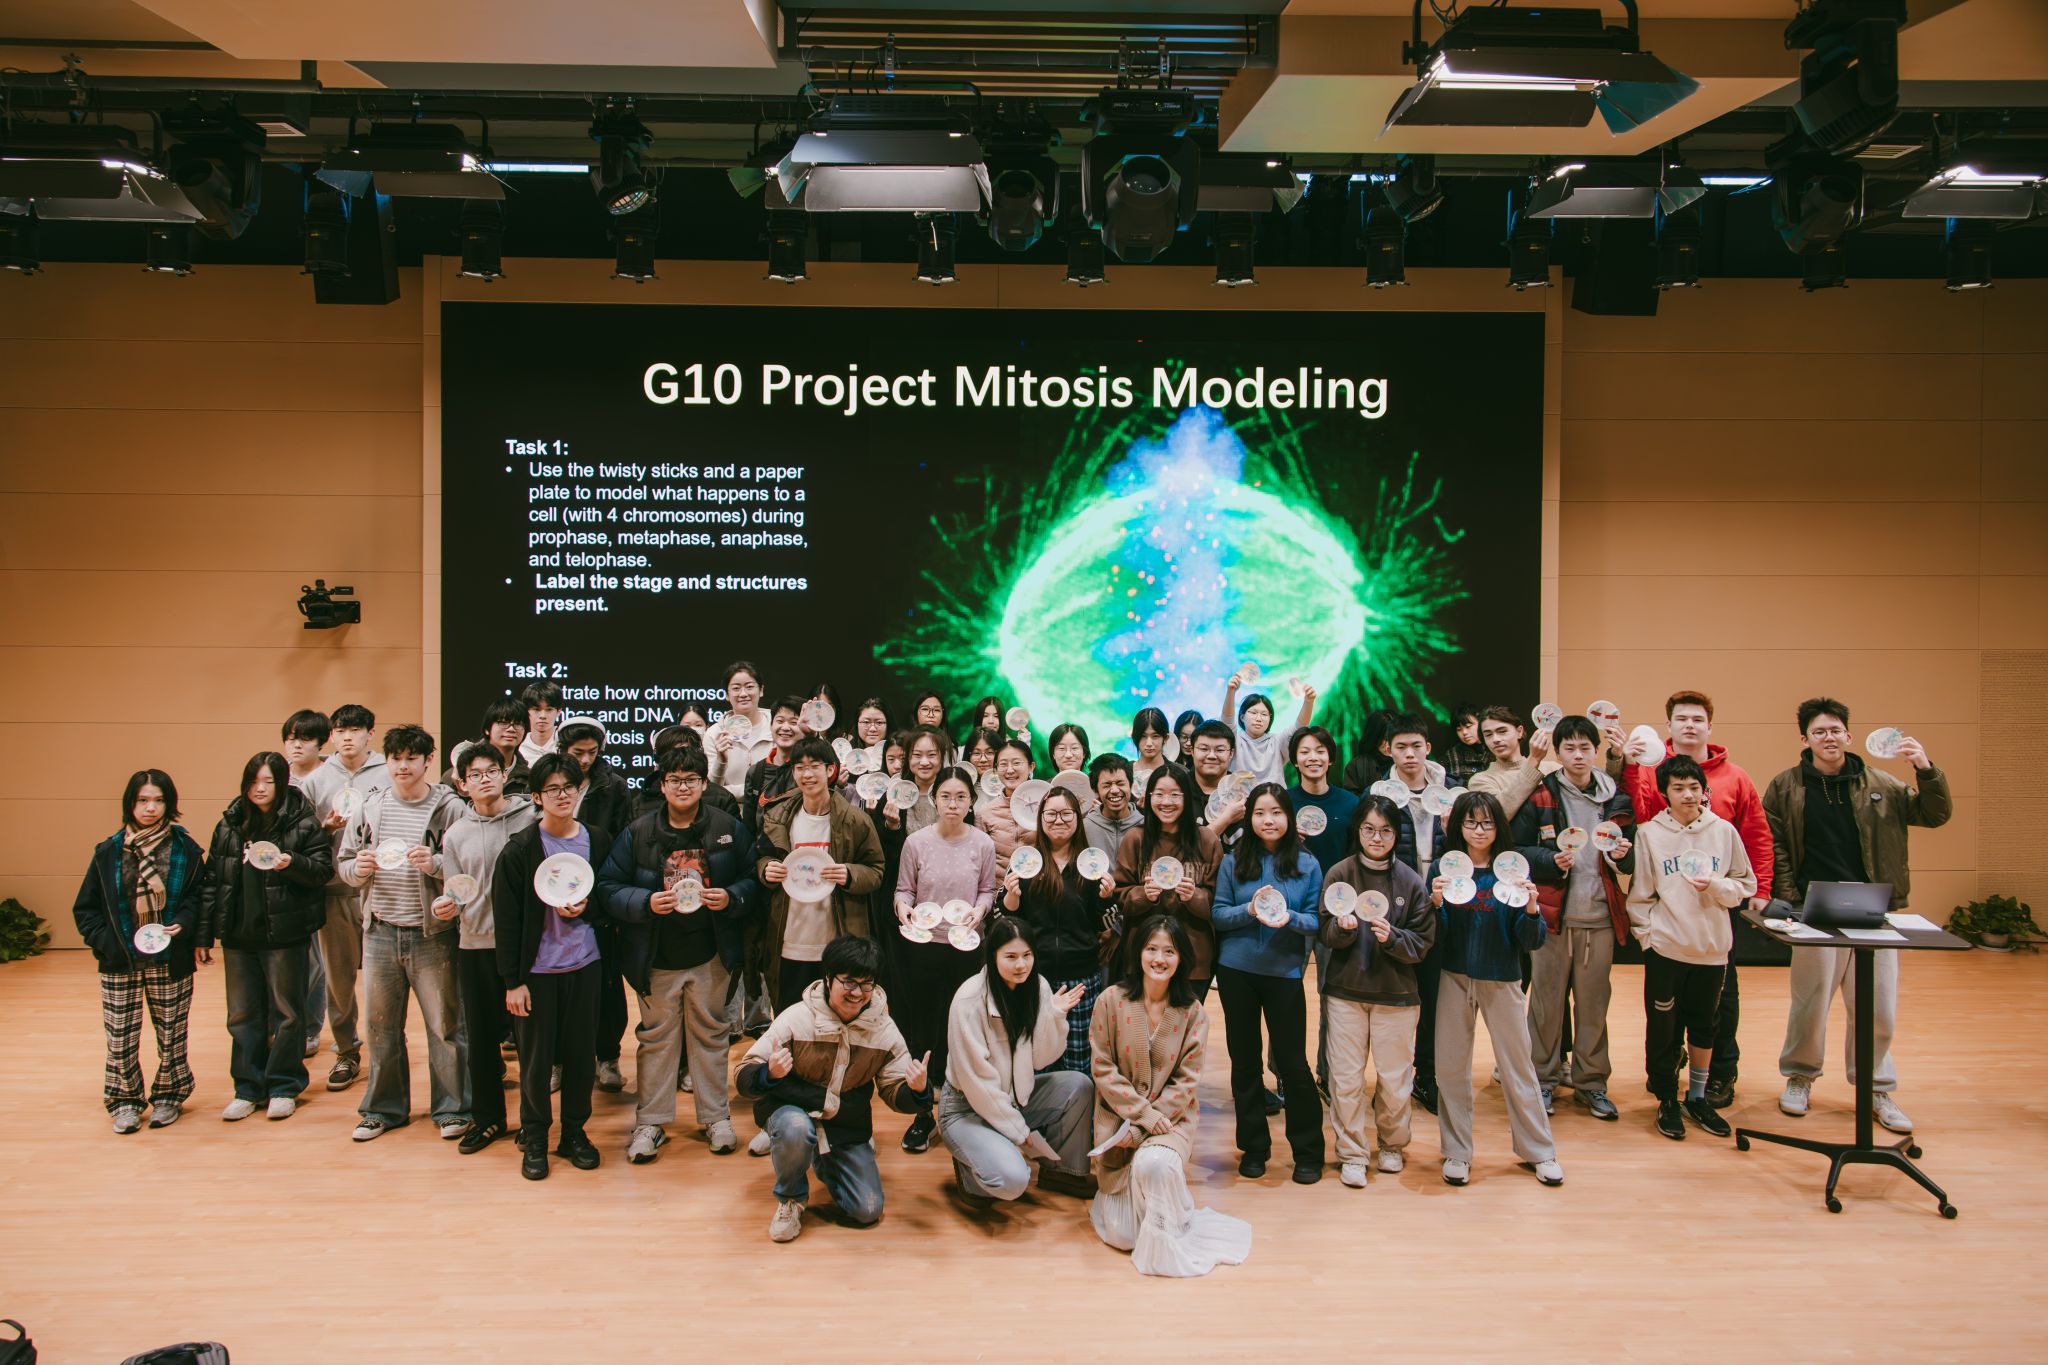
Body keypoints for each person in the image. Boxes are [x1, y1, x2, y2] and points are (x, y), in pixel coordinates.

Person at [1765, 697, 1951, 1134]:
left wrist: (1925, 768)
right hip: (1812, 911)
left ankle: (1875, 1088)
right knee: (1810, 1004)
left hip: (1874, 910)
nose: (1828, 738)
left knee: (1878, 1008)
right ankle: (1800, 1077)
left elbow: (1935, 814)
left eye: (1835, 730)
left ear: (1848, 736)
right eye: (1819, 732)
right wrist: (1791, 901)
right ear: (1805, 740)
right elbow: (1776, 844)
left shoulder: (1882, 783)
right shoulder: (1786, 786)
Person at [598, 744, 758, 1164]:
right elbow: (608, 887)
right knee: (656, 1040)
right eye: (674, 780)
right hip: (656, 956)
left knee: (711, 1035)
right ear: (663, 785)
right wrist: (644, 902)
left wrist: (732, 896)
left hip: (711, 954)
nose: (682, 787)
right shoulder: (638, 831)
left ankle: (716, 1117)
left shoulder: (726, 826)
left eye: (690, 779)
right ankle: (650, 1122)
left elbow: (752, 877)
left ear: (704, 784)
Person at [1618, 690, 1773, 1109]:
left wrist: (1759, 889)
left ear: (1709, 726)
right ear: (1669, 726)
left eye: (1697, 719)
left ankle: (1719, 1073)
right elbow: (1640, 813)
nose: (1690, 725)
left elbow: (1755, 836)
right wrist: (1648, 936)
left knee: (1721, 1002)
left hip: (1714, 917)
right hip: (1670, 921)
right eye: (1682, 719)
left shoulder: (1735, 780)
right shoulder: (1653, 771)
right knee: (1664, 1012)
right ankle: (1666, 1074)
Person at [735, 935, 932, 1242]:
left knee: (867, 1210)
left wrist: (917, 1091)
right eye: (848, 982)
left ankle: (822, 1158)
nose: (857, 993)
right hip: (792, 1109)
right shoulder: (797, 1018)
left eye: (866, 984)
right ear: (828, 979)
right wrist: (768, 1073)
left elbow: (895, 1092)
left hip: (844, 1121)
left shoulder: (883, 1030)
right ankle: (791, 1198)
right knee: (795, 1128)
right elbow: (743, 1075)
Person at [1087, 914, 1251, 1276]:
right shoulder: (1110, 1000)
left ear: (1182, 959)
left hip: (1170, 1121)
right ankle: (1133, 1204)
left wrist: (1145, 1125)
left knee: (1155, 1165)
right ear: (1138, 953)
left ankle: (1168, 1215)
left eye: (1169, 951)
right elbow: (1102, 1067)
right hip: (1118, 1121)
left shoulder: (1193, 1013)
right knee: (1125, 1236)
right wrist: (1141, 1116)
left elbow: (1186, 1082)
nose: (1159, 959)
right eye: (1151, 949)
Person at [338, 724, 467, 1143]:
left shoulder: (450, 809)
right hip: (380, 931)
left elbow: (468, 870)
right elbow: (344, 863)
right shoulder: (370, 807)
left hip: (433, 934)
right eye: (396, 758)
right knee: (380, 1027)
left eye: (412, 758)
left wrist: (436, 864)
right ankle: (382, 1109)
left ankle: (452, 1108)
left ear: (428, 761)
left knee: (445, 1027)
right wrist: (357, 870)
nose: (403, 766)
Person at [1429, 790, 1562, 1187]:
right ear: (1458, 826)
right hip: (1454, 977)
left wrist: (1532, 908)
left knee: (1519, 1067)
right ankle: (1457, 1152)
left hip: (1503, 978)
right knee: (1451, 1068)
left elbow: (1530, 940)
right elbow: (1436, 938)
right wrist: (1436, 904)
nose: (1479, 830)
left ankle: (1540, 1151)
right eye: (1471, 822)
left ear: (1498, 827)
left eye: (1487, 823)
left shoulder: (1513, 870)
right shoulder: (1444, 867)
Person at [493, 752, 615, 1179]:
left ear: (580, 790)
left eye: (569, 787)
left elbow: (609, 897)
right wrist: (513, 981)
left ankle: (574, 1133)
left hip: (585, 965)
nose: (563, 796)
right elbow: (506, 920)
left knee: (582, 1057)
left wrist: (588, 907)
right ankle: (535, 1137)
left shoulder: (596, 840)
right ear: (536, 797)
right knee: (536, 1061)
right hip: (538, 973)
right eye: (552, 790)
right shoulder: (520, 849)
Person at [1511, 714, 1637, 1122]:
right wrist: (1551, 861)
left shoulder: (1615, 798)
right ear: (1558, 752)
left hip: (1599, 916)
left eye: (1585, 747)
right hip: (1552, 918)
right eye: (1570, 748)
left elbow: (1630, 855)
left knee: (1594, 1005)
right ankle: (1543, 1080)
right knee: (1545, 1005)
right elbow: (1518, 850)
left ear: (1596, 751)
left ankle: (1591, 1083)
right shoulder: (1543, 794)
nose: (1578, 755)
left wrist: (1623, 856)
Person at [1627, 754, 1756, 1141]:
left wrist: (1716, 885)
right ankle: (1667, 1097)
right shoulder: (1650, 834)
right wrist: (1649, 938)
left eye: (1694, 788)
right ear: (1665, 793)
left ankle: (1697, 1097)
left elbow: (1744, 885)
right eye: (1678, 788)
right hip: (1666, 949)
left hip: (1712, 949)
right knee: (1662, 1029)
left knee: (1704, 1026)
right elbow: (1641, 895)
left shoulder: (1723, 831)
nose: (1688, 795)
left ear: (1704, 791)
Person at [200, 752, 333, 1121]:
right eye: (254, 781)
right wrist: (206, 933)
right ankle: (247, 1088)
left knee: (288, 1013)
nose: (260, 788)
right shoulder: (229, 823)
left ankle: (284, 1086)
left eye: (269, 781)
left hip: (284, 934)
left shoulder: (301, 821)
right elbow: (212, 879)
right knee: (242, 1015)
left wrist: (293, 863)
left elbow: (322, 871)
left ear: (282, 784)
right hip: (239, 935)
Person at [72, 770, 206, 1132]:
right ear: (130, 804)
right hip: (121, 960)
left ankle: (169, 1096)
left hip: (169, 957)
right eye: (143, 800)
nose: (150, 808)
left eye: (158, 800)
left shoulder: (185, 849)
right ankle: (124, 1101)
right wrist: (107, 944)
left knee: (172, 1034)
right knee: (120, 1036)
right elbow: (86, 909)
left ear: (169, 804)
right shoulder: (109, 851)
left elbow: (198, 897)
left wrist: (184, 923)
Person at [937, 916, 1097, 1204]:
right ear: (993, 956)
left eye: (1027, 955)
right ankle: (970, 1174)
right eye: (1010, 957)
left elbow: (1041, 1059)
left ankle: (1061, 1171)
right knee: (1012, 1180)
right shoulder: (969, 1000)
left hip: (1014, 1099)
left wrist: (1055, 1017)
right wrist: (1019, 1132)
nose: (1021, 965)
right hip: (966, 1107)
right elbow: (978, 1085)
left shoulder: (1038, 987)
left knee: (1079, 1085)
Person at [1211, 784, 1325, 1183]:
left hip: (1284, 973)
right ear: (1249, 818)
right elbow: (1218, 915)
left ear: (1289, 817)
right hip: (1236, 972)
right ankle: (1254, 1148)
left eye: (1276, 812)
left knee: (1293, 1064)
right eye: (1260, 813)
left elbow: (1316, 920)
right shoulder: (1233, 861)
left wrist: (1288, 918)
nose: (1268, 820)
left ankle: (1308, 1151)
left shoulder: (1307, 864)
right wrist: (1250, 909)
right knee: (1245, 1063)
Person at [1318, 796, 1434, 1187]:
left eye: (1385, 830)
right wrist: (1342, 930)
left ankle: (1391, 1145)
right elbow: (1324, 932)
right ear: (1358, 830)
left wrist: (1393, 938)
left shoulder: (1410, 881)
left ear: (1396, 834)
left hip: (1396, 995)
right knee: (1346, 1079)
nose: (1377, 838)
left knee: (1394, 1079)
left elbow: (1422, 942)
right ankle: (1351, 1152)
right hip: (1345, 992)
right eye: (1369, 829)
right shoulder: (1340, 873)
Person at [431, 742, 535, 1154]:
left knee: (530, 1041)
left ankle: (533, 1122)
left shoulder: (530, 819)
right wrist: (446, 906)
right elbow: (455, 891)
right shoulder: (456, 834)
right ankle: (489, 1118)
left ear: (505, 774)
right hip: (475, 944)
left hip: (526, 948)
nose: (485, 779)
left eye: (491, 771)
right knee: (481, 1038)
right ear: (462, 784)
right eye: (475, 775)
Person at [891, 766, 997, 1154]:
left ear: (971, 802)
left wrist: (980, 911)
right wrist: (903, 908)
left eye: (961, 797)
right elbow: (904, 890)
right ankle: (922, 1114)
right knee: (923, 1027)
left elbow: (987, 889)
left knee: (963, 1027)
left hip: (966, 946)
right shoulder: (916, 842)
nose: (953, 804)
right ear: (934, 800)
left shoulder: (982, 844)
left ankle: (959, 1111)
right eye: (946, 796)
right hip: (923, 945)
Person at [758, 737, 887, 1011]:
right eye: (800, 767)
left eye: (814, 766)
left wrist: (849, 873)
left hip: (837, 941)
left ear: (830, 770)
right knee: (791, 1017)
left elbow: (876, 870)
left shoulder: (855, 820)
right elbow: (761, 859)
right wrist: (766, 869)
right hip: (790, 938)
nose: (806, 774)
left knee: (837, 1018)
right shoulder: (777, 816)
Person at [301, 702, 390, 1092]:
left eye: (355, 730)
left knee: (383, 979)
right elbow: (301, 838)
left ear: (370, 733)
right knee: (338, 978)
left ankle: (386, 1049)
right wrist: (324, 828)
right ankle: (346, 1050)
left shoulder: (389, 771)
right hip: (334, 891)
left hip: (382, 889)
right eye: (340, 731)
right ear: (332, 736)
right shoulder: (316, 780)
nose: (347, 737)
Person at [1001, 788, 1118, 1072]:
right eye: (1051, 814)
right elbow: (1004, 923)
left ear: (1077, 818)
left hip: (1081, 976)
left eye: (1066, 813)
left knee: (1079, 1061)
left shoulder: (1092, 864)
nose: (1059, 820)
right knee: (1035, 1059)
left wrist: (1107, 899)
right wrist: (1011, 899)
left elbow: (1103, 925)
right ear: (1040, 818)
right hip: (1033, 977)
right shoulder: (1025, 862)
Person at [1378, 713, 1458, 1115]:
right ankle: (1391, 1080)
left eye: (1416, 746)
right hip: (1397, 913)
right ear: (1388, 750)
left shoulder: (1452, 793)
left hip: (1442, 910)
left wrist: (1453, 828)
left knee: (1434, 1000)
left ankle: (1427, 1075)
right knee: (1394, 1003)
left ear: (1428, 748)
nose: (1409, 754)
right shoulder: (1380, 795)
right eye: (1401, 747)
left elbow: (1471, 847)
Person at [560, 715, 633, 1093]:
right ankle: (561, 1060)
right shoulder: (552, 780)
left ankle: (608, 1057)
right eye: (578, 753)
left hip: (599, 895)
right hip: (555, 894)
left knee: (607, 984)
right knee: (559, 985)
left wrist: (603, 892)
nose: (586, 760)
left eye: (591, 752)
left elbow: (621, 841)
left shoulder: (613, 786)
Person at [1111, 764, 1223, 999]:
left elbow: (1219, 902)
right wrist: (1144, 895)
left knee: (1185, 1020)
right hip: (1143, 955)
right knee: (1143, 1021)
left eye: (1175, 795)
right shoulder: (1136, 838)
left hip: (1193, 957)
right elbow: (1119, 895)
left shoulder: (1207, 840)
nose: (1166, 802)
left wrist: (1194, 896)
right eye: (1159, 794)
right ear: (1149, 797)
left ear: (1187, 797)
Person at [279, 709, 332, 1058]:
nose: (296, 745)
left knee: (318, 960)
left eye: (305, 738)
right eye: (290, 738)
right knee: (289, 959)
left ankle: (311, 1027)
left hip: (324, 873)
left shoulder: (331, 777)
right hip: (285, 877)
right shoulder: (276, 777)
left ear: (320, 743)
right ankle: (285, 1025)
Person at [1221, 668, 1315, 786]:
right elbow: (1227, 722)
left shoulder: (1277, 742)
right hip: (1239, 797)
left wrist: (1309, 702)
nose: (1258, 718)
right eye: (1253, 713)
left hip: (1274, 797)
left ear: (1270, 719)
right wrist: (1231, 692)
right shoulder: (1234, 740)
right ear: (1242, 717)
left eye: (1264, 714)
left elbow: (1299, 727)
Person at [1285, 725, 1358, 875]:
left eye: (1320, 751)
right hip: (1294, 884)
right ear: (1295, 761)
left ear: (1330, 759)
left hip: (1339, 885)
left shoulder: (1351, 803)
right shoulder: (1282, 802)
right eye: (1305, 752)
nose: (1313, 757)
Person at [1468, 705, 1553, 821]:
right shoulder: (1480, 781)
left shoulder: (1552, 769)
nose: (1495, 739)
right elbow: (1495, 816)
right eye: (1488, 735)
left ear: (1519, 732)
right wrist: (1533, 760)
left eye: (1502, 731)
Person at [741, 696, 806, 831]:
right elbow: (749, 825)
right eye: (780, 721)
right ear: (771, 726)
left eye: (793, 722)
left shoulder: (809, 770)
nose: (785, 727)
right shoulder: (756, 772)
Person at [710, 661, 773, 799]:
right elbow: (710, 790)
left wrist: (731, 791)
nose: (743, 694)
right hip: (728, 810)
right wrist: (721, 761)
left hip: (772, 809)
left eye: (749, 687)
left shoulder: (776, 728)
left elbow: (783, 782)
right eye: (736, 688)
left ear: (761, 690)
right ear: (727, 694)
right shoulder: (714, 733)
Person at [975, 737, 1037, 876]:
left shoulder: (1045, 806)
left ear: (1031, 767)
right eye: (1003, 764)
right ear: (996, 770)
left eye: (1016, 763)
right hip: (999, 887)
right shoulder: (985, 813)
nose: (1009, 770)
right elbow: (979, 860)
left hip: (1039, 885)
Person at [1187, 720, 1247, 846]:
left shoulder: (1245, 792)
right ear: (1192, 751)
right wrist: (1227, 818)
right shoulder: (1178, 790)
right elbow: (1181, 849)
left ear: (1231, 753)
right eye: (1204, 749)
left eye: (1220, 750)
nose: (1211, 756)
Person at [1084, 753, 1143, 857]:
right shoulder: (1084, 828)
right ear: (1096, 791)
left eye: (1120, 783)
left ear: (1131, 785)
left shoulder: (1145, 825)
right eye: (1107, 785)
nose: (1115, 790)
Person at [518, 680, 564, 769]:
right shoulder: (518, 745)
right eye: (536, 709)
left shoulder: (566, 742)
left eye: (549, 709)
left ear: (558, 711)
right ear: (526, 711)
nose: (543, 716)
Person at [1443, 703, 1490, 786]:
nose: (1464, 732)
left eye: (1468, 726)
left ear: (1481, 722)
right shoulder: (1452, 755)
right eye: (1459, 729)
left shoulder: (1494, 746)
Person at [1128, 707, 1171, 796]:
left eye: (1155, 736)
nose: (1149, 743)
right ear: (1134, 737)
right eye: (1143, 736)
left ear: (1165, 738)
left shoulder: (1179, 773)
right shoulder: (1124, 772)